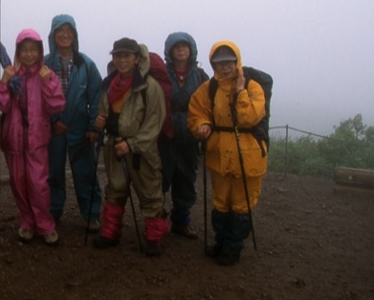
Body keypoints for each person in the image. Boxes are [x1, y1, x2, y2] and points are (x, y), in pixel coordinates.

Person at [188, 41, 266, 265]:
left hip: (248, 154)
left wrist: (240, 90)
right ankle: (221, 243)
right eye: (219, 63)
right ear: (213, 64)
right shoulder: (209, 88)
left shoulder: (253, 87)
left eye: (229, 62)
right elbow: (197, 111)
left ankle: (232, 248)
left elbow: (248, 117)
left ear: (237, 62)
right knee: (221, 202)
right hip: (219, 153)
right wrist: (202, 125)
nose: (224, 67)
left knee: (242, 204)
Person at [92, 38, 169, 255]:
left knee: (150, 193)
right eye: (118, 56)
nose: (122, 60)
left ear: (137, 58)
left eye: (127, 56)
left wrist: (132, 144)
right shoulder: (109, 85)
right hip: (115, 147)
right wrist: (100, 122)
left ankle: (154, 239)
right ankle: (110, 233)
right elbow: (104, 112)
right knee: (115, 190)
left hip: (142, 151)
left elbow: (154, 123)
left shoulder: (149, 87)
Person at [0, 29, 66, 246]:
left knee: (39, 184)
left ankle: (45, 225)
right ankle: (27, 223)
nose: (28, 54)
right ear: (17, 51)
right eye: (24, 50)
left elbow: (57, 106)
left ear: (40, 51)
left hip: (37, 140)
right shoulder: (12, 73)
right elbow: (4, 105)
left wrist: (48, 83)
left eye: (33, 49)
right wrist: (3, 83)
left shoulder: (46, 74)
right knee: (18, 183)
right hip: (14, 139)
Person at [44, 14, 103, 231]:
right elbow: (38, 97)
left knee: (85, 172)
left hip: (80, 128)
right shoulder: (45, 64)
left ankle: (91, 213)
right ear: (53, 35)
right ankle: (53, 211)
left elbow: (96, 96)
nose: (65, 35)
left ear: (75, 35)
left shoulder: (86, 64)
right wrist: (53, 122)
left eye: (69, 31)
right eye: (60, 30)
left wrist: (93, 127)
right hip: (54, 128)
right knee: (53, 172)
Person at [160, 32, 209, 239]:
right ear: (170, 51)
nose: (180, 50)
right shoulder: (161, 73)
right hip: (165, 134)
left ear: (191, 50)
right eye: (176, 46)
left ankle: (181, 220)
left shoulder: (200, 76)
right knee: (161, 177)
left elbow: (208, 105)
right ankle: (159, 222)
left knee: (186, 178)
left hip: (190, 136)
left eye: (184, 46)